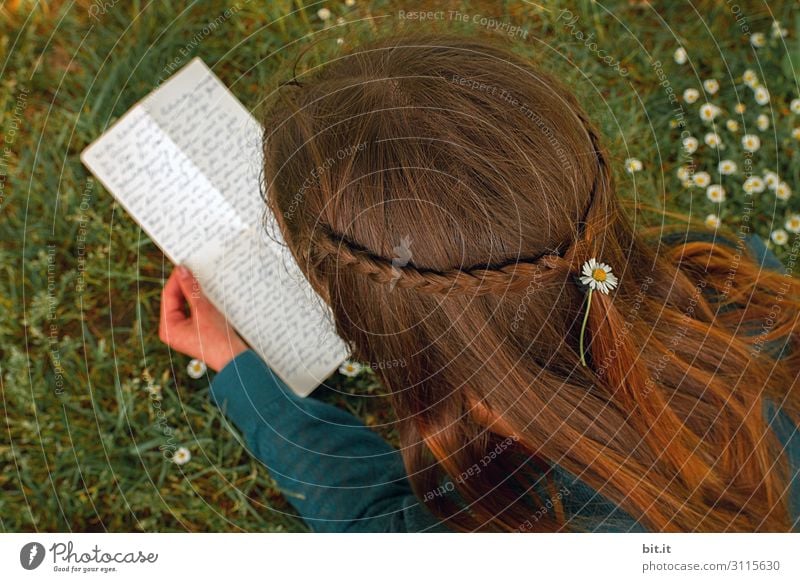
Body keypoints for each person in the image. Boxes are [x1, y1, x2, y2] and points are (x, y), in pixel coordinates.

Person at [159, 33, 800, 532]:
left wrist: (234, 366)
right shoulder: (740, 281)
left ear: (369, 318)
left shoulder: (501, 525)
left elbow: (366, 520)